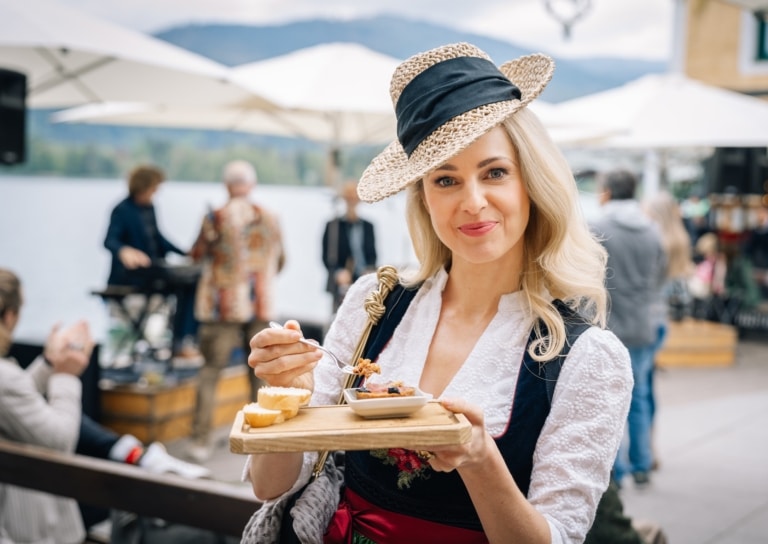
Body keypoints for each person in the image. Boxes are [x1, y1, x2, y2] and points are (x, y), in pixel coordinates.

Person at [245, 43, 632, 543]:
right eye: (445, 179)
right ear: (424, 200)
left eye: (495, 172)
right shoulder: (373, 302)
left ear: (532, 183)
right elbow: (268, 485)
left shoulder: (589, 358)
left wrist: (480, 461)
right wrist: (288, 394)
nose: (472, 202)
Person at [0, 268, 209, 544]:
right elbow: (59, 439)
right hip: (30, 529)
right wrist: (65, 376)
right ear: (10, 316)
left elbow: (13, 398)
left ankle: (132, 452)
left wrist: (49, 364)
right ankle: (137, 454)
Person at [187, 159, 286, 463]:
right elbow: (281, 260)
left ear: (227, 186)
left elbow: (196, 256)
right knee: (261, 371)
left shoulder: (215, 217)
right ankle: (259, 438)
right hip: (259, 303)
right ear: (251, 185)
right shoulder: (270, 217)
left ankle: (200, 440)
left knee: (210, 371)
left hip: (222, 307)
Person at [589, 170, 667, 490]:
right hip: (644, 324)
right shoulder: (653, 230)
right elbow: (660, 277)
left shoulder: (596, 227)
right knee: (640, 397)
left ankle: (617, 472)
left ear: (606, 192)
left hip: (610, 325)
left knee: (610, 401)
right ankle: (641, 464)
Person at [103, 165, 200, 361]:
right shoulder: (122, 210)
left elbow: (159, 239)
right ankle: (179, 342)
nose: (155, 193)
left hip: (153, 268)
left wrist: (184, 252)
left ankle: (182, 340)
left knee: (194, 278)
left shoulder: (150, 208)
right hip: (131, 274)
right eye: (154, 188)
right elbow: (109, 240)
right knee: (185, 281)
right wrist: (124, 250)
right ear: (143, 187)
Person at [641, 191, 694, 472]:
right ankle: (650, 447)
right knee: (648, 389)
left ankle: (643, 453)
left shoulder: (655, 241)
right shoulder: (679, 240)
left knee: (639, 392)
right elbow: (679, 291)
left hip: (644, 319)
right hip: (661, 320)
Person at [322, 180, 377, 314]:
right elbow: (326, 257)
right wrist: (337, 273)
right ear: (344, 199)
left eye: (354, 197)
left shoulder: (368, 227)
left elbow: (373, 256)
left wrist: (369, 270)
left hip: (364, 280)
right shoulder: (333, 226)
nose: (352, 201)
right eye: (349, 197)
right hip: (342, 282)